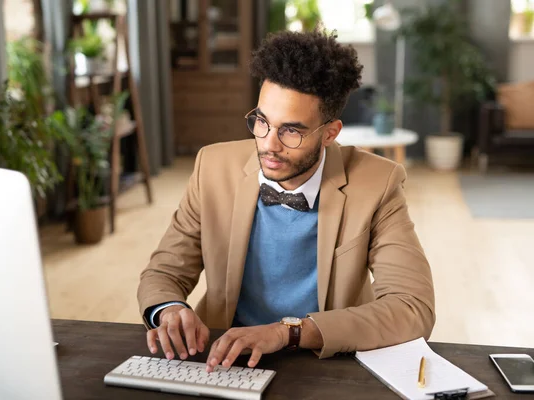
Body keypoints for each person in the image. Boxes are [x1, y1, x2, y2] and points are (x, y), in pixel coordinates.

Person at [137, 30, 435, 372]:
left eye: (291, 130)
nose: (268, 144)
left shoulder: (378, 184)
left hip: (326, 363)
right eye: (262, 122)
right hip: (221, 359)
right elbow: (164, 271)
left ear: (330, 133)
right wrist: (170, 309)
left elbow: (413, 308)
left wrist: (289, 333)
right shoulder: (213, 167)